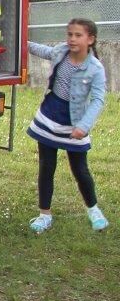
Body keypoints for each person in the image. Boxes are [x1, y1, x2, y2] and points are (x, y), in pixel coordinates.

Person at [27, 18, 109, 233]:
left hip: (74, 121)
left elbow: (98, 99)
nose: (72, 39)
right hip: (49, 116)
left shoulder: (95, 68)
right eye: (70, 34)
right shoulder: (61, 52)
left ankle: (93, 210)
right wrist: (21, 41)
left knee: (80, 169)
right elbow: (43, 51)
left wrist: (84, 125)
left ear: (90, 39)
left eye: (78, 35)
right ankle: (44, 214)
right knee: (46, 166)